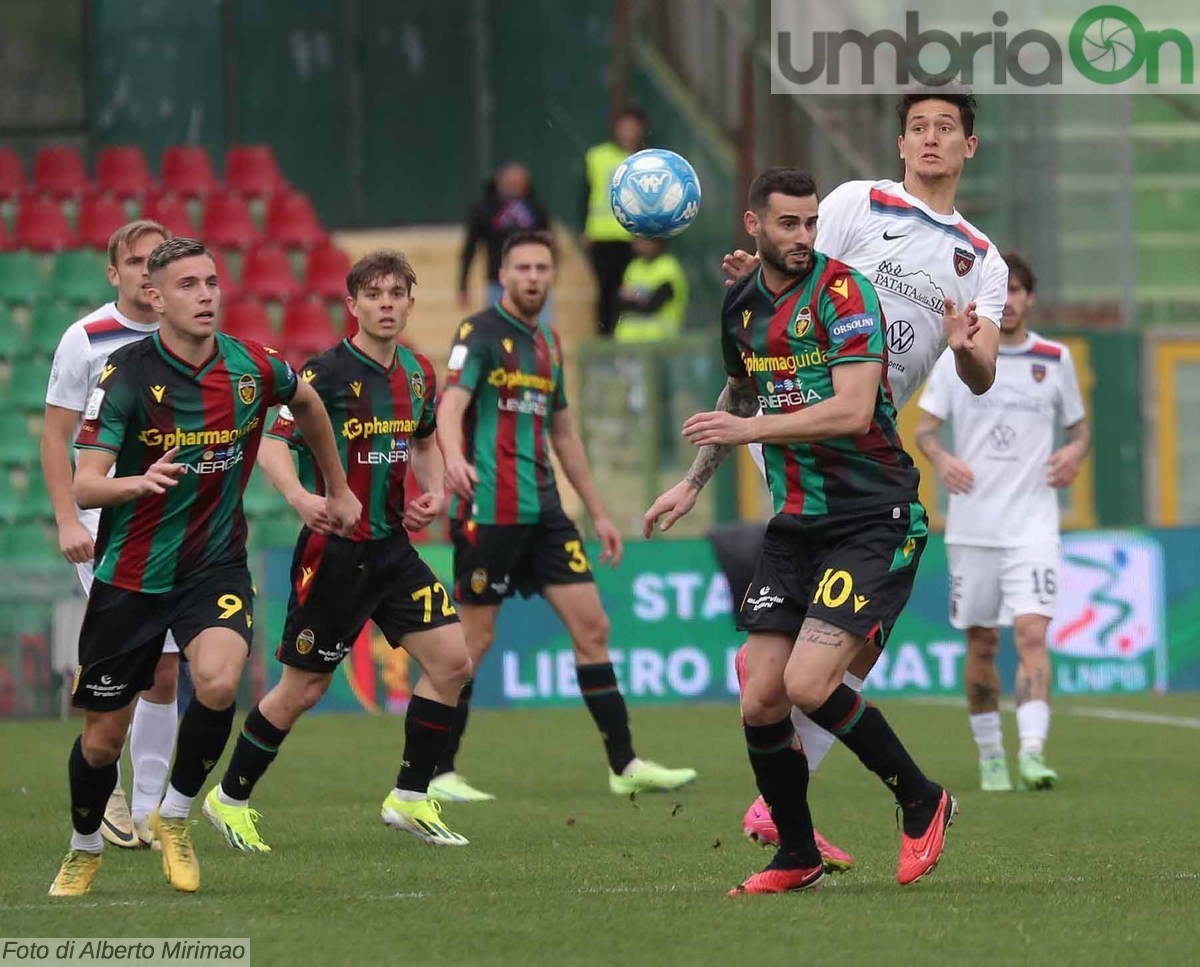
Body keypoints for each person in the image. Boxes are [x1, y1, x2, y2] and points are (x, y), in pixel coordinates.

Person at [709, 81, 1008, 862]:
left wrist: (972, 347)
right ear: (901, 144)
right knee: (806, 672)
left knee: (837, 664)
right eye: (919, 127)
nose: (933, 138)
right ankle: (800, 821)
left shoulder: (981, 259)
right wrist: (765, 271)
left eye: (948, 127)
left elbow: (981, 374)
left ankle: (793, 815)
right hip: (813, 454)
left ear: (968, 146)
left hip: (865, 450)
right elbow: (798, 267)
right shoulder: (853, 204)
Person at [645, 167, 954, 895]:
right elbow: (742, 391)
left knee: (809, 683)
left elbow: (851, 409)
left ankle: (921, 796)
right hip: (796, 524)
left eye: (811, 222)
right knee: (760, 693)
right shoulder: (741, 304)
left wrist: (748, 425)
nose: (803, 237)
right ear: (754, 224)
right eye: (787, 224)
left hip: (871, 516)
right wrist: (693, 482)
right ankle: (794, 852)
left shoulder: (844, 293)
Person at [48, 237, 360, 897]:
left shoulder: (253, 366)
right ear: (155, 297)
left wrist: (335, 485)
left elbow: (305, 403)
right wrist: (134, 484)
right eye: (188, 284)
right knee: (101, 743)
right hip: (130, 572)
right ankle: (83, 846)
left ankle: (177, 814)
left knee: (218, 683)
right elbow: (84, 484)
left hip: (212, 566)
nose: (206, 295)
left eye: (212, 282)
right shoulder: (126, 376)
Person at [203, 251, 473, 850]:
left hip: (392, 549)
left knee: (453, 663)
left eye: (396, 294)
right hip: (335, 553)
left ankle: (409, 797)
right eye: (372, 295)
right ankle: (230, 798)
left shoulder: (419, 373)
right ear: (351, 305)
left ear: (408, 302)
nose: (385, 304)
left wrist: (429, 492)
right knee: (304, 688)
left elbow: (424, 442)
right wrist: (303, 499)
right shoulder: (323, 375)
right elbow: (273, 446)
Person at [433, 229, 696, 802]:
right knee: (472, 640)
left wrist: (598, 512)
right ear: (503, 275)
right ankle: (437, 771)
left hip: (547, 512)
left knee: (593, 627)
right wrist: (453, 460)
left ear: (552, 276)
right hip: (489, 509)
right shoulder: (478, 334)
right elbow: (450, 404)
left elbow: (563, 432)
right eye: (522, 268)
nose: (532, 277)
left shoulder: (549, 342)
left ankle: (624, 766)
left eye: (542, 268)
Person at [916, 250, 1089, 792]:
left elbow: (1080, 430)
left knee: (1033, 633)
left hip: (1034, 523)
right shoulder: (958, 358)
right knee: (983, 643)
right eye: (1002, 291)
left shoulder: (1055, 359)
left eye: (1018, 291)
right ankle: (991, 754)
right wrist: (943, 459)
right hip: (972, 526)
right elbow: (924, 429)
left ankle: (1033, 753)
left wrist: (1074, 454)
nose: (1009, 301)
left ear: (1029, 298)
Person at [42, 219, 181, 850]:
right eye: (137, 263)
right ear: (115, 273)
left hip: (177, 524)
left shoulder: (188, 335)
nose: (149, 274)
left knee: (169, 670)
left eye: (160, 261)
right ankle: (107, 781)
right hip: (105, 525)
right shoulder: (87, 338)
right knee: (123, 664)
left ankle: (148, 806)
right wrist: (68, 518)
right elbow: (55, 436)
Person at [582, 108, 645, 336]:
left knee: (628, 289)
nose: (629, 132)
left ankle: (623, 336)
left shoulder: (646, 161)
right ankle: (605, 336)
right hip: (601, 235)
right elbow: (586, 193)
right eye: (624, 126)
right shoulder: (597, 156)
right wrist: (585, 229)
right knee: (604, 290)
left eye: (633, 126)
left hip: (631, 238)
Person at [459, 163, 550, 311]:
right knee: (499, 330)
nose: (515, 187)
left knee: (537, 330)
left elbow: (548, 242)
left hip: (534, 282)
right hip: (498, 283)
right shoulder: (484, 210)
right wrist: (463, 284)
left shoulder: (536, 209)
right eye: (511, 182)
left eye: (519, 182)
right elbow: (470, 248)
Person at [614, 237, 689, 343]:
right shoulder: (634, 267)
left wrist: (633, 297)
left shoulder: (668, 267)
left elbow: (652, 305)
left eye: (641, 239)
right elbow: (619, 302)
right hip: (628, 343)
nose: (636, 243)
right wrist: (641, 298)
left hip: (659, 342)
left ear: (656, 242)